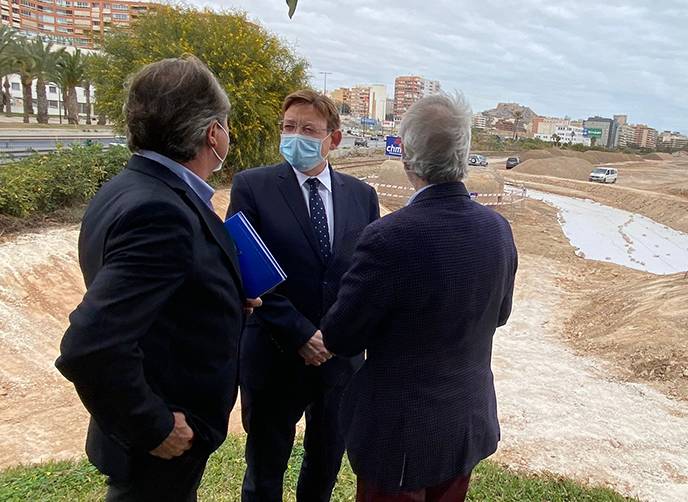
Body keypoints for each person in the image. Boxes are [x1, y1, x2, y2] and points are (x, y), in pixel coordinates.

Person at [55, 56, 260, 501]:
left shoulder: (131, 187)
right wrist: (154, 426)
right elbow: (88, 346)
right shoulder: (160, 211)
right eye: (225, 124)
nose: (228, 134)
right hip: (164, 442)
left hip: (163, 436)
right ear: (212, 133)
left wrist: (221, 299)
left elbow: (157, 301)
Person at [321, 93, 518, 502]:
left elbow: (340, 337)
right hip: (465, 423)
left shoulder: (388, 236)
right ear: (464, 155)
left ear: (407, 157)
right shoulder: (498, 230)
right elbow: (499, 315)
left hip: (399, 440)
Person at [228, 89, 379, 502]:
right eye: (289, 127)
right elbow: (248, 270)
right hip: (274, 353)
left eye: (309, 129)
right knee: (264, 470)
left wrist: (334, 337)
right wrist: (299, 335)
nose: (296, 136)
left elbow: (366, 275)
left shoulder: (362, 197)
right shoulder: (252, 187)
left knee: (325, 465)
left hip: (339, 360)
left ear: (334, 138)